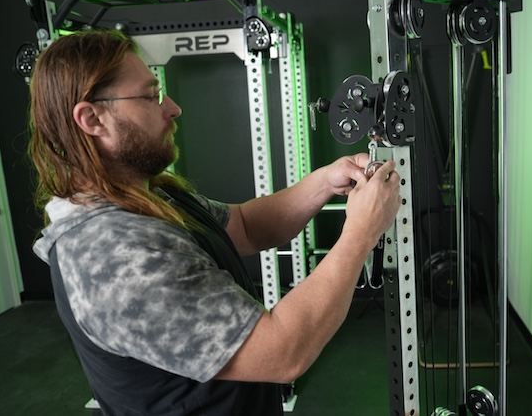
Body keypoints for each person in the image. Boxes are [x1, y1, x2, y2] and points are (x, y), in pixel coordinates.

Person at [28, 29, 400, 415]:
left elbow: (245, 226)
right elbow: (285, 351)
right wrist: (360, 233)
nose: (172, 107)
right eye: (151, 95)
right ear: (92, 119)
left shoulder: (145, 196)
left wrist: (324, 181)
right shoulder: (111, 254)